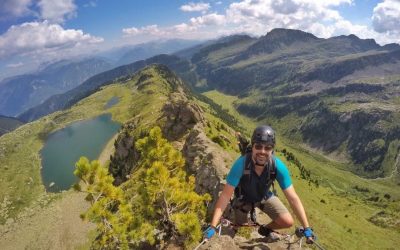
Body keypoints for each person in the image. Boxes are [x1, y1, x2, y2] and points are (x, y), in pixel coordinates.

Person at [204, 125, 314, 242]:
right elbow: (225, 195)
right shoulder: (241, 165)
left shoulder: (277, 167)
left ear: (272, 149)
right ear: (253, 146)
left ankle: (265, 229)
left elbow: (293, 198)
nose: (262, 151)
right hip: (243, 199)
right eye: (258, 146)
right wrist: (213, 226)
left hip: (264, 196)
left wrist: (306, 227)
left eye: (267, 148)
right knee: (238, 226)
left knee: (287, 221)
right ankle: (238, 225)